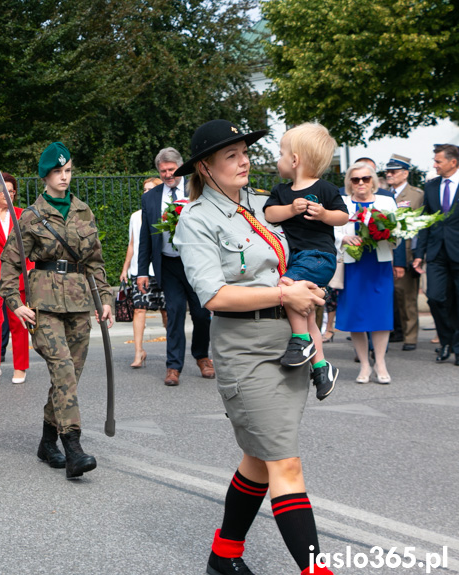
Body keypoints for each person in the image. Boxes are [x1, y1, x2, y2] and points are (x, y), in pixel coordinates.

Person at [173, 119, 334, 575]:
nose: (244, 161)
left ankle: (224, 555)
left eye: (245, 152)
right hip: (244, 349)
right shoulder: (196, 220)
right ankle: (317, 570)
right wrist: (286, 295)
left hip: (287, 343)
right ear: (205, 168)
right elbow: (214, 296)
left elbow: (300, 250)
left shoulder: (264, 204)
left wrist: (306, 285)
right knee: (285, 464)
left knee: (259, 461)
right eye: (231, 156)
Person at [0, 141, 114, 480]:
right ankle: (73, 447)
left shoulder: (83, 211)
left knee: (70, 378)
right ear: (45, 177)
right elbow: (10, 264)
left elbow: (94, 261)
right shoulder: (31, 217)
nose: (64, 178)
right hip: (44, 305)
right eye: (57, 173)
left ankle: (47, 442)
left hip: (79, 302)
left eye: (67, 171)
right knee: (63, 370)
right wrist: (15, 302)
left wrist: (104, 300)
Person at [264, 123, 348, 400]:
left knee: (287, 286)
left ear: (295, 160)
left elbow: (343, 217)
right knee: (305, 311)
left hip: (319, 258)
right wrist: (290, 208)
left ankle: (300, 342)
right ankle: (322, 369)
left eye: (280, 153)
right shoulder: (281, 191)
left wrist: (324, 214)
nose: (278, 159)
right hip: (297, 259)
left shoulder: (325, 189)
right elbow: (270, 214)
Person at [137, 147, 214, 386]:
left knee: (202, 314)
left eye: (172, 169)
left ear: (180, 168)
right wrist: (142, 271)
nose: (168, 175)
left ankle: (202, 356)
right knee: (175, 312)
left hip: (196, 263)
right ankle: (173, 366)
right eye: (163, 171)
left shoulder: (198, 189)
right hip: (168, 265)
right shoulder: (150, 197)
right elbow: (145, 236)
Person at [335, 162, 398, 383]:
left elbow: (398, 233)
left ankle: (380, 362)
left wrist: (387, 233)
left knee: (381, 316)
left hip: (379, 265)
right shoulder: (341, 203)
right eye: (355, 179)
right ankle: (364, 365)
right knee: (357, 317)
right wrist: (343, 238)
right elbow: (332, 231)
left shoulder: (386, 201)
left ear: (374, 181)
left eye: (365, 179)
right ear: (349, 183)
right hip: (354, 265)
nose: (361, 183)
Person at [0, 171, 34, 386]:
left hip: (19, 277)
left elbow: (33, 244)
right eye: (4, 191)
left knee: (20, 323)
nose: (9, 195)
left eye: (12, 191)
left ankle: (20, 367)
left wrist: (30, 268)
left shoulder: (23, 215)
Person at [412, 144, 459, 365]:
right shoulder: (430, 187)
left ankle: (455, 346)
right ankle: (448, 341)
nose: (434, 165)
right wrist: (419, 253)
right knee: (436, 298)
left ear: (453, 162)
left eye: (438, 161)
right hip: (437, 252)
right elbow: (424, 223)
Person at [119, 177, 166, 367]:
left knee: (166, 312)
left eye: (150, 189)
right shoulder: (135, 216)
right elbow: (132, 244)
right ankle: (138, 352)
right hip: (140, 271)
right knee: (139, 309)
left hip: (163, 269)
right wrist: (125, 268)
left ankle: (173, 352)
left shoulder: (166, 214)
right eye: (144, 190)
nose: (146, 193)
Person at [384, 154, 424, 351]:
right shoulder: (384, 194)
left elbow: (421, 228)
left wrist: (418, 255)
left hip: (407, 252)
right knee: (389, 296)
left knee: (407, 297)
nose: (389, 174)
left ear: (405, 173)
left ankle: (410, 336)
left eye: (394, 171)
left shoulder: (416, 195)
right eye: (387, 171)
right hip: (386, 252)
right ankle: (392, 332)